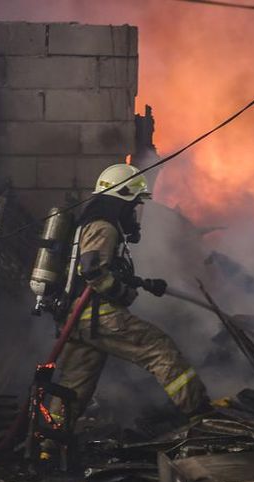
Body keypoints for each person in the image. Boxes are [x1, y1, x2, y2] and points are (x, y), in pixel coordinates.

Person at [45, 163, 209, 452]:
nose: (135, 213)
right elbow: (92, 271)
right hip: (98, 315)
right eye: (134, 204)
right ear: (121, 198)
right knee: (160, 349)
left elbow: (101, 268)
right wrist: (123, 293)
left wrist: (142, 282)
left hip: (79, 319)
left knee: (74, 385)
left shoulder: (94, 220)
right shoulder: (104, 225)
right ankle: (201, 416)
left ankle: (48, 444)